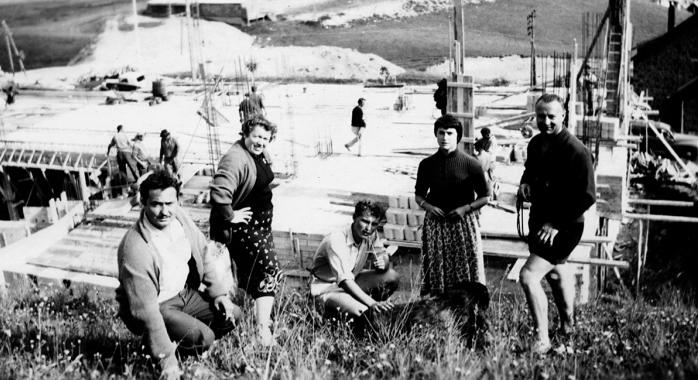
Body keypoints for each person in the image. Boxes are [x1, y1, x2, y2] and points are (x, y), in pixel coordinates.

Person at [116, 167, 240, 380]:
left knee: (233, 314)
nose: (164, 212)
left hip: (184, 294)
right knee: (205, 337)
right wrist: (168, 362)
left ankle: (178, 337)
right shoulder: (135, 246)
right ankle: (157, 346)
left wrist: (219, 294)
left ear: (177, 202)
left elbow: (203, 251)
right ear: (144, 203)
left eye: (169, 204)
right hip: (158, 305)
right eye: (156, 204)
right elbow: (146, 310)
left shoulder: (180, 219)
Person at [518, 93, 596, 354]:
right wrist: (525, 182)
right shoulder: (536, 143)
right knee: (554, 272)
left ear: (563, 115)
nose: (546, 121)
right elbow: (530, 168)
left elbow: (587, 196)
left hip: (565, 225)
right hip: (540, 220)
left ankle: (542, 339)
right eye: (541, 116)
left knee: (529, 276)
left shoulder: (576, 150)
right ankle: (568, 327)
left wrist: (556, 224)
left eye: (552, 116)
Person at [209, 115, 282, 346]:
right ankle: (262, 331)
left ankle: (259, 321)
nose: (261, 142)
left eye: (265, 138)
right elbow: (220, 193)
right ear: (245, 134)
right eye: (257, 136)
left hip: (260, 228)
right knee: (268, 271)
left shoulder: (258, 153)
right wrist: (231, 216)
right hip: (246, 229)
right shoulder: (235, 158)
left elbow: (260, 174)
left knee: (258, 274)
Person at [415, 114, 491, 295]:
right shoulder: (427, 164)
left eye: (450, 133)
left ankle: (469, 311)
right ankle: (438, 310)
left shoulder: (471, 164)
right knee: (437, 270)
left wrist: (466, 208)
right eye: (441, 133)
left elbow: (485, 196)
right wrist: (429, 207)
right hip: (436, 225)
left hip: (463, 224)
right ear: (436, 134)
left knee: (467, 267)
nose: (445, 138)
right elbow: (419, 195)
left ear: (458, 136)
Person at [309, 200, 399, 321]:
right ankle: (327, 313)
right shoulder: (336, 239)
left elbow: (381, 253)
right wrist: (372, 303)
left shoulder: (370, 234)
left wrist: (384, 262)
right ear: (354, 218)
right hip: (327, 289)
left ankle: (374, 308)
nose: (369, 228)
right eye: (365, 221)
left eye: (374, 224)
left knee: (392, 276)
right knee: (364, 312)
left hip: (353, 281)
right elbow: (344, 280)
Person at [474, 127, 498, 199]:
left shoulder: (491, 141)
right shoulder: (488, 139)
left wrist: (480, 148)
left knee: (489, 179)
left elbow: (486, 150)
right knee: (488, 178)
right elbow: (479, 143)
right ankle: (491, 194)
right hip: (488, 161)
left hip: (490, 161)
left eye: (485, 135)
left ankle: (491, 195)